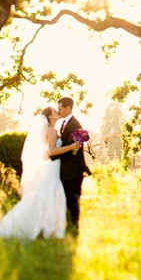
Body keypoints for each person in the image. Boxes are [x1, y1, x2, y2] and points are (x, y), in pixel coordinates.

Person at [0, 107, 81, 244]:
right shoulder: (51, 131)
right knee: (48, 193)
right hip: (51, 168)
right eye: (54, 111)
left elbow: (46, 153)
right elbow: (51, 152)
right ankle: (47, 228)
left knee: (46, 194)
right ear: (49, 117)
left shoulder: (51, 131)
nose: (57, 112)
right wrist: (71, 147)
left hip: (50, 167)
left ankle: (47, 228)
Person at [50, 96, 91, 234]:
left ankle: (74, 229)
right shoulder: (66, 124)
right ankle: (70, 227)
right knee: (68, 201)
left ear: (68, 108)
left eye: (60, 109)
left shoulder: (74, 124)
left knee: (73, 201)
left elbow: (73, 149)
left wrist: (53, 154)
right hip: (67, 171)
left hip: (73, 171)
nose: (58, 111)